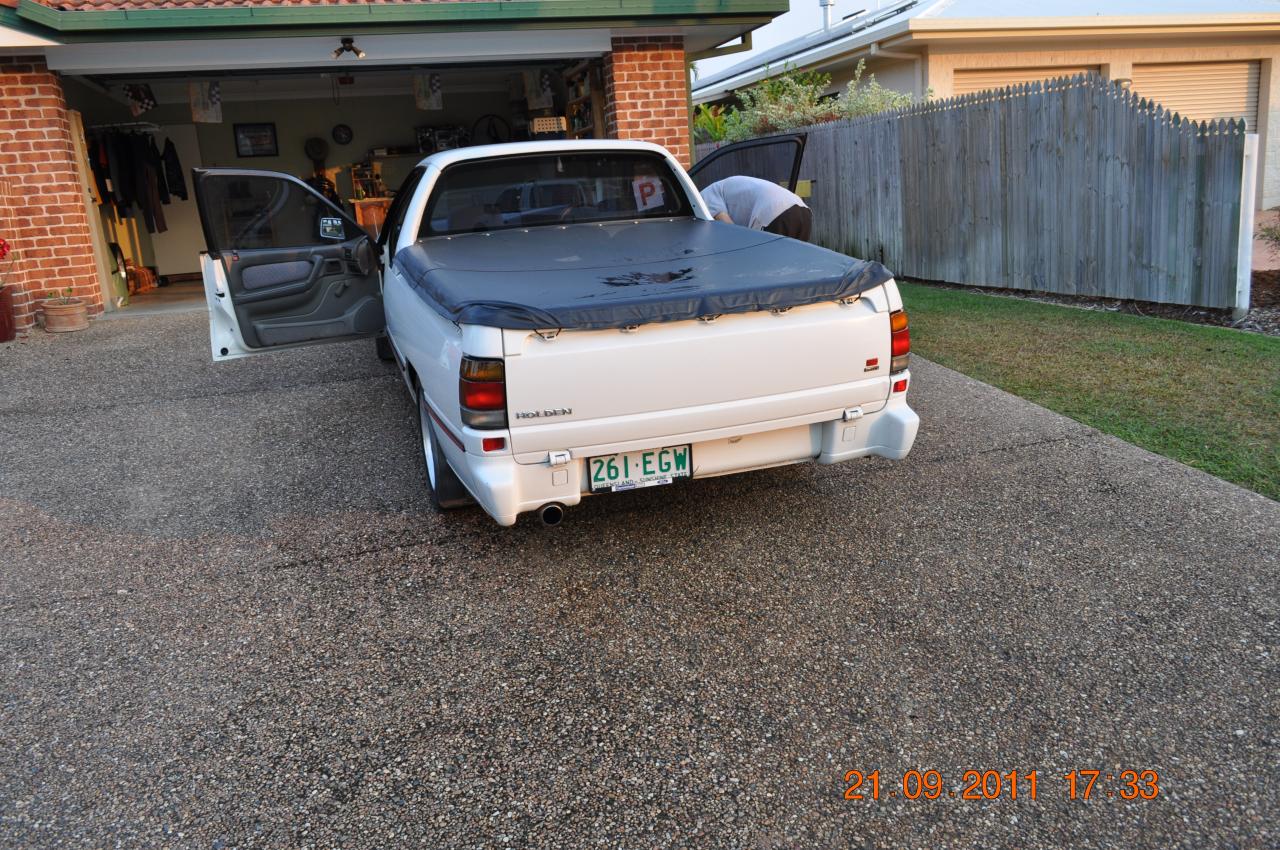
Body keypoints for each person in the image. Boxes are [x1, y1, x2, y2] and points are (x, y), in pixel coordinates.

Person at [700, 175, 812, 242]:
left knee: (770, 271)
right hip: (802, 209)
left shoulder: (704, 197)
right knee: (796, 265)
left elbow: (730, 230)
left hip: (773, 213)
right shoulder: (723, 187)